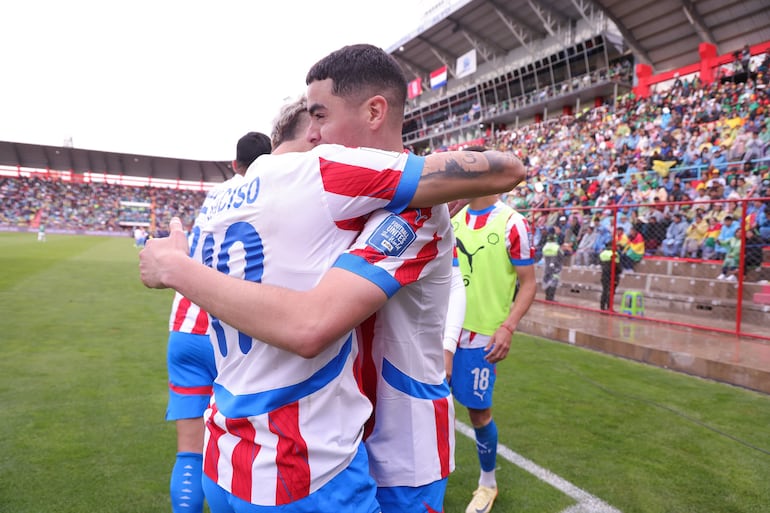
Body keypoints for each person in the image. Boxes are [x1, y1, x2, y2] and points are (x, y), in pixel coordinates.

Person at [140, 44, 527, 513]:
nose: (314, 135)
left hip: (401, 444)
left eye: (321, 116)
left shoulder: (414, 208)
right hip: (346, 434)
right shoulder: (349, 201)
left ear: (374, 111)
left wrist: (180, 271)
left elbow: (312, 324)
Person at [164, 131, 271, 513]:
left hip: (185, 327)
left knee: (190, 453)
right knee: (240, 452)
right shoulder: (273, 192)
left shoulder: (216, 195)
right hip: (234, 333)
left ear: (233, 164)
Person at [445, 190, 536, 513]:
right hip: (442, 333)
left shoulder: (513, 223)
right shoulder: (451, 218)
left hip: (481, 337)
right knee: (432, 407)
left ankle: (488, 484)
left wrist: (508, 326)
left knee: (478, 412)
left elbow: (528, 282)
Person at [599, 240, 621, 310]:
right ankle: (609, 307)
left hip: (604, 274)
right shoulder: (614, 254)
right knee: (611, 292)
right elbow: (617, 265)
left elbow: (600, 263)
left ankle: (602, 307)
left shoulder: (602, 253)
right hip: (613, 275)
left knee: (605, 291)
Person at [541, 232, 563, 301]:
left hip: (547, 267)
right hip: (555, 267)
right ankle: (551, 298)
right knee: (554, 282)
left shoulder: (545, 247)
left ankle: (547, 297)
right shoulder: (556, 247)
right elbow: (561, 255)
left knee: (547, 281)